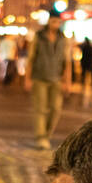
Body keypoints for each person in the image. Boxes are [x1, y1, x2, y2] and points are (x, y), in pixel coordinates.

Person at [25, 8, 71, 150]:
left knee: (55, 109)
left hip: (56, 79)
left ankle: (47, 134)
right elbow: (31, 58)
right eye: (53, 21)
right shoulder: (39, 37)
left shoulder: (63, 39)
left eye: (58, 22)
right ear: (49, 21)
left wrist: (67, 81)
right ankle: (41, 137)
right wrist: (27, 78)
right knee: (40, 109)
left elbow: (67, 61)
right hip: (39, 77)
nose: (55, 24)